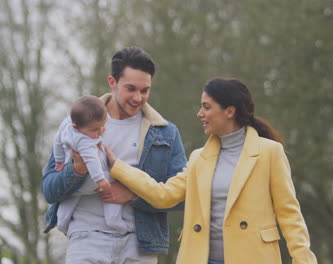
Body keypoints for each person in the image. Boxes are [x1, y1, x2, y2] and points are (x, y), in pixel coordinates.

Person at [106, 78, 318, 264]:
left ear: (230, 111)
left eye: (207, 107)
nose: (200, 114)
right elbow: (164, 196)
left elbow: (290, 215)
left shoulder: (270, 152)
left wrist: (303, 259)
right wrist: (117, 166)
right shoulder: (199, 158)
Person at [42, 47, 187, 263]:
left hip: (140, 246)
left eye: (145, 90)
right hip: (86, 238)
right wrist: (77, 170)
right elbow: (49, 190)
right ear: (112, 82)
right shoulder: (76, 126)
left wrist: (134, 195)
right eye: (131, 89)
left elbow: (183, 197)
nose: (138, 97)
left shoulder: (165, 133)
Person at [54, 95, 130, 234]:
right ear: (76, 127)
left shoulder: (66, 124)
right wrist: (101, 180)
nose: (101, 131)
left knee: (67, 204)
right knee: (112, 201)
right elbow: (92, 161)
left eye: (103, 125)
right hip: (95, 181)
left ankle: (62, 224)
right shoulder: (85, 142)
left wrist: (59, 159)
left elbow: (57, 140)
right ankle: (121, 226)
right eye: (96, 129)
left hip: (75, 186)